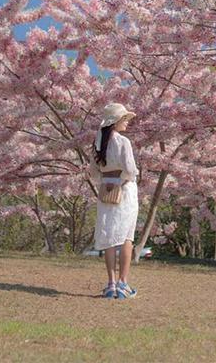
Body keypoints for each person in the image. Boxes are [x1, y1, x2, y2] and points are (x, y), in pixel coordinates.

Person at [91, 103, 140, 299]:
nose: (127, 122)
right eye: (124, 119)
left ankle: (110, 283)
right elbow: (130, 169)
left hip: (106, 191)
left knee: (110, 237)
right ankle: (123, 284)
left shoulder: (98, 143)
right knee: (127, 236)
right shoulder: (123, 142)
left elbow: (93, 171)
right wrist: (124, 179)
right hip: (124, 191)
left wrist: (106, 180)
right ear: (115, 121)